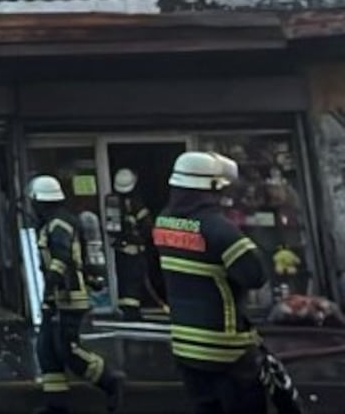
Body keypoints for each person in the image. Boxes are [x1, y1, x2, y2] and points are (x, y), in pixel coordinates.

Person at [153, 151, 268, 414]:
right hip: (226, 348)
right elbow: (255, 276)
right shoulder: (220, 229)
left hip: (184, 345)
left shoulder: (163, 222)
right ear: (211, 189)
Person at [28, 175, 125, 414]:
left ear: (41, 202)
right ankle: (56, 405)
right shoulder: (53, 222)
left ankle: (110, 381)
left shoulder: (59, 224)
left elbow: (61, 256)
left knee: (68, 350)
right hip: (55, 297)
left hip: (69, 296)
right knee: (47, 352)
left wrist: (53, 280)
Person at [110, 168, 152, 319]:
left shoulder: (112, 202)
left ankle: (127, 311)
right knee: (133, 282)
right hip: (134, 251)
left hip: (119, 250)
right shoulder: (135, 203)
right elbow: (147, 226)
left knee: (125, 281)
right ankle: (132, 314)